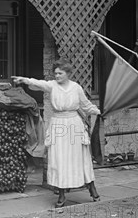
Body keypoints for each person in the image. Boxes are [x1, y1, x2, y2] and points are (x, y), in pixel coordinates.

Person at [12, 60, 101, 208]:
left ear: (68, 74)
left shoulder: (76, 88)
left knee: (79, 157)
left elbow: (86, 106)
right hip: (58, 125)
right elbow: (39, 83)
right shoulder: (52, 86)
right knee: (59, 159)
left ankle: (92, 189)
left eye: (60, 73)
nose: (57, 75)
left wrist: (99, 111)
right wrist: (24, 80)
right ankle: (61, 194)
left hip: (74, 126)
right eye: (56, 73)